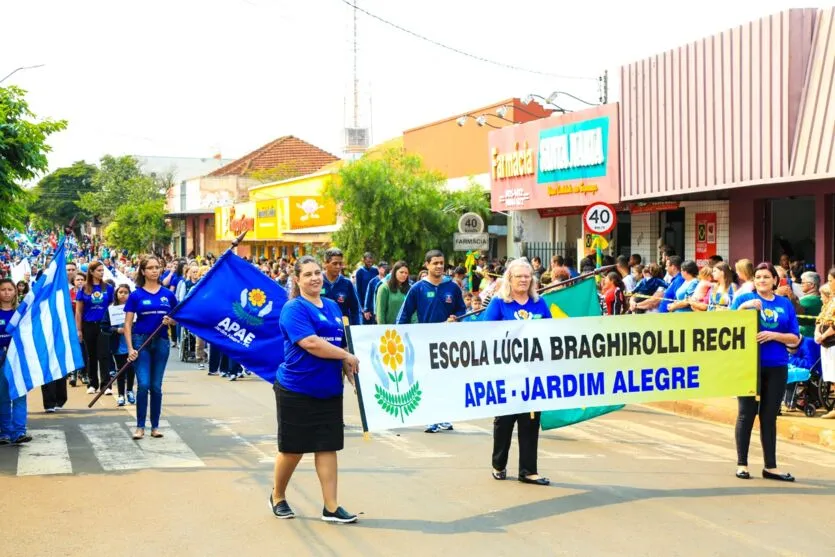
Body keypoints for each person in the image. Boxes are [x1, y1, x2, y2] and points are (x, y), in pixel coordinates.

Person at [270, 255, 359, 523]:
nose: (315, 278)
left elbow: (341, 345)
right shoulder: (294, 309)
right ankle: (278, 496)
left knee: (327, 446)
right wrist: (344, 356)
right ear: (297, 279)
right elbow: (311, 343)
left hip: (329, 390)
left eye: (318, 272)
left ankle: (331, 507)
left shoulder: (332, 307)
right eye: (308, 274)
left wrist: (350, 372)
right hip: (296, 389)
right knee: (293, 449)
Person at [482, 259, 550, 486]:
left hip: (532, 373)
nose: (523, 280)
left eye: (527, 276)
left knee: (530, 422)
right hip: (506, 373)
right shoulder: (499, 303)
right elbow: (485, 332)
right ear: (509, 279)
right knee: (505, 421)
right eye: (519, 276)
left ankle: (529, 470)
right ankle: (498, 464)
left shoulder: (540, 303)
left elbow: (552, 332)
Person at [731, 262, 800, 482]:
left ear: (774, 281)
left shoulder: (785, 304)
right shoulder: (744, 300)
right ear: (753, 280)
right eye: (758, 277)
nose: (762, 280)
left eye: (766, 277)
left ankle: (771, 466)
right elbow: (728, 327)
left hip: (777, 365)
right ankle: (742, 463)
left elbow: (795, 337)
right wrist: (743, 309)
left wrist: (774, 335)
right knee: (746, 414)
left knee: (769, 416)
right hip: (749, 365)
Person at [397, 249, 466, 433]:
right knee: (428, 380)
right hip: (425, 343)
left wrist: (456, 318)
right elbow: (404, 315)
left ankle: (444, 417)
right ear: (426, 265)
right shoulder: (418, 288)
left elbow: (461, 310)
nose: (439, 266)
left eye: (441, 263)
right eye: (435, 263)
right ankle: (431, 418)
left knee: (446, 380)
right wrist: (399, 337)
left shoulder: (452, 287)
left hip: (448, 343)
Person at [125, 256, 178, 440]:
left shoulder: (168, 295)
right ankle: (140, 426)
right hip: (141, 343)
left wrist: (171, 321)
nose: (155, 271)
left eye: (157, 268)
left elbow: (178, 318)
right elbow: (127, 324)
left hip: (162, 342)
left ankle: (155, 426)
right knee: (144, 385)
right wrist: (131, 348)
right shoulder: (135, 295)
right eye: (150, 268)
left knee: (156, 386)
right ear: (143, 271)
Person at [75, 261, 115, 395]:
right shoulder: (83, 288)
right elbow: (79, 311)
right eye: (98, 270)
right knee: (91, 355)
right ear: (91, 272)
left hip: (103, 325)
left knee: (104, 355)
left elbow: (112, 306)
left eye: (102, 270)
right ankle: (93, 383)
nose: (101, 272)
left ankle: (106, 385)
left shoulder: (108, 288)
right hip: (88, 325)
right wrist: (79, 329)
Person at [0, 278, 30, 445]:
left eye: (10, 289)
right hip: (0, 357)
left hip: (18, 357)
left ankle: (19, 432)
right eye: (3, 289)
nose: (6, 292)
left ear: (15, 292)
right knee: (3, 396)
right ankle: (5, 432)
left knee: (19, 394)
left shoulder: (21, 312)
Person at [321, 248, 361, 326]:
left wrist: (355, 329)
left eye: (340, 264)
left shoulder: (347, 283)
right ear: (326, 263)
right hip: (321, 329)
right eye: (335, 263)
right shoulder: (318, 282)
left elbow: (355, 309)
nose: (338, 266)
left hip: (342, 330)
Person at [111, 285, 135, 407]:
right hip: (118, 345)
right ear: (116, 294)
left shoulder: (135, 308)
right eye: (120, 292)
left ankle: (129, 390)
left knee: (131, 369)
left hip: (132, 345)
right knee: (120, 370)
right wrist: (116, 330)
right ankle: (121, 395)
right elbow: (104, 326)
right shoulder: (112, 309)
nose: (123, 294)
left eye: (126, 292)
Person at [816, 267, 835, 419]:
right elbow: (820, 318)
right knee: (832, 376)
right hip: (826, 343)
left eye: (830, 281)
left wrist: (823, 336)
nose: (829, 284)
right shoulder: (831, 300)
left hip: (832, 341)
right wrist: (818, 332)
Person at [375, 261, 412, 325]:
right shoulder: (384, 288)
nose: (404, 275)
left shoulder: (410, 289)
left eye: (406, 273)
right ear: (394, 272)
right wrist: (382, 329)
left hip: (406, 328)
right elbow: (380, 313)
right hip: (389, 331)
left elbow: (413, 311)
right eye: (401, 272)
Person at [355, 252, 378, 324]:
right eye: (368, 262)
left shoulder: (375, 270)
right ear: (364, 260)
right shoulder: (360, 272)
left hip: (373, 301)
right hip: (364, 301)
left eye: (371, 262)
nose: (370, 263)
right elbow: (358, 290)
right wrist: (362, 307)